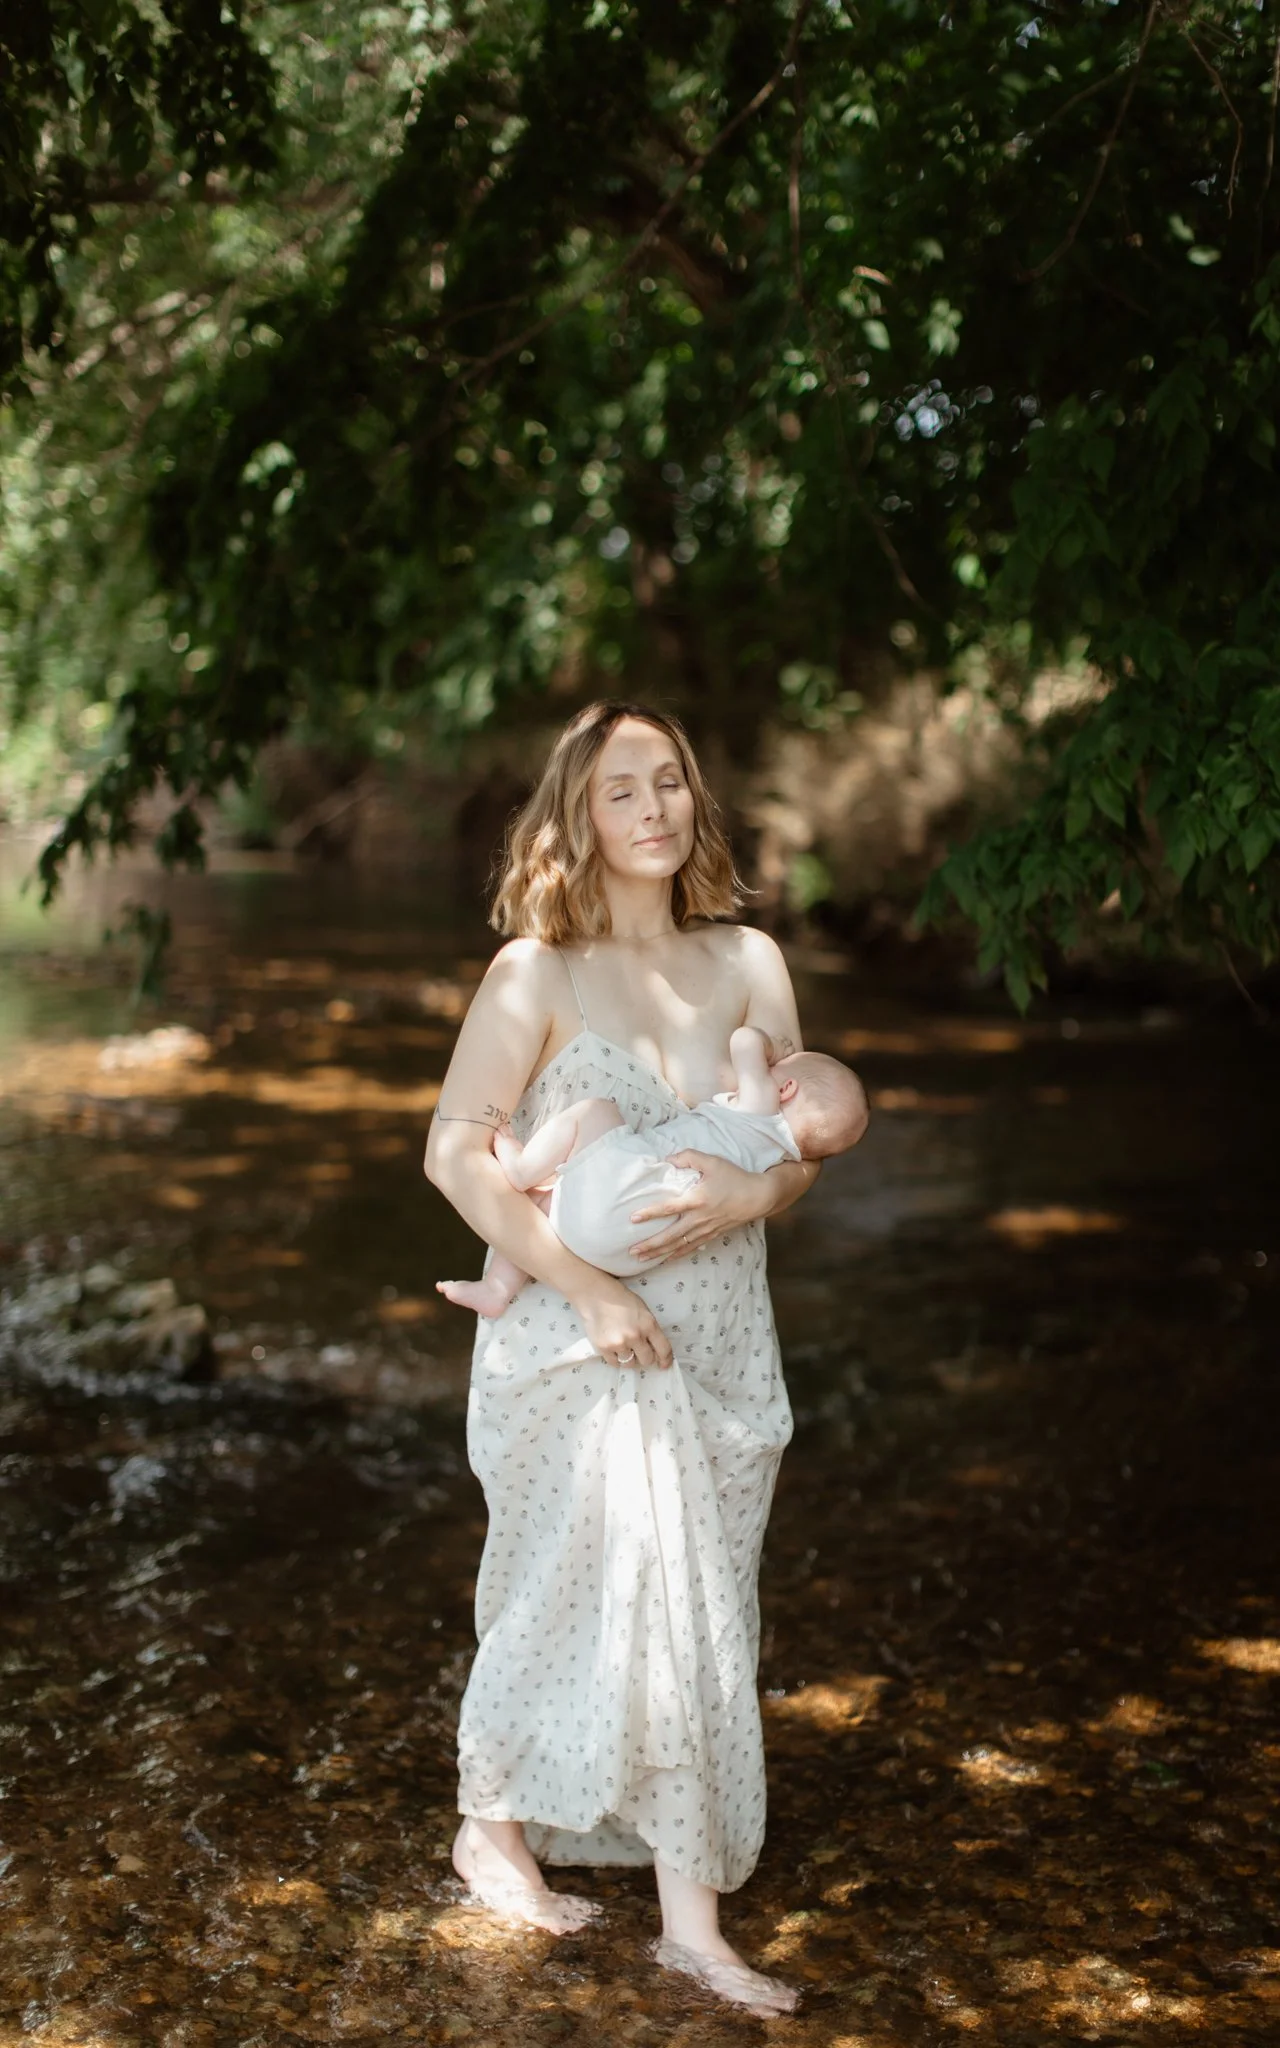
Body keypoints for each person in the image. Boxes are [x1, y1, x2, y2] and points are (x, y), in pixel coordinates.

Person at [423, 702, 869, 2018]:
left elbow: (793, 1146)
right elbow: (455, 1153)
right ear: (578, 815)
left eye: (669, 780)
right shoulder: (533, 973)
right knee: (561, 1587)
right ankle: (498, 1831)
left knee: (701, 1612)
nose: (653, 807)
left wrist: (752, 1195)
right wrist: (585, 1287)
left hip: (721, 1339)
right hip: (574, 1339)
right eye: (621, 789)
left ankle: (680, 1912)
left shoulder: (748, 959)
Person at [436, 1027, 867, 1317]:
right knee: (556, 1201)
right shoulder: (780, 1158)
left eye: (781, 1071)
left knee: (593, 1114)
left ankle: (520, 1175)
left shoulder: (762, 1106)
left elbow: (744, 1041)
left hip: (622, 1191)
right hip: (631, 1251)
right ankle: (497, 1291)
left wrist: (772, 1049)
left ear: (786, 1088)